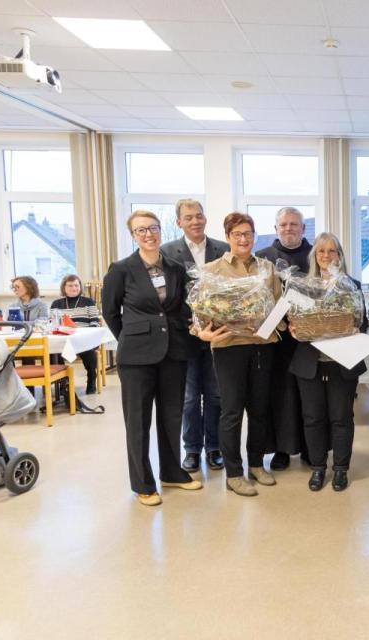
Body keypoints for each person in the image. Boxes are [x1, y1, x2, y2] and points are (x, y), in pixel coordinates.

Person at [102, 210, 202, 506]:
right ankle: (143, 483)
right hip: (136, 356)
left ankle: (171, 472)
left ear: (161, 230)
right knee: (138, 420)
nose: (149, 234)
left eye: (153, 228)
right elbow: (110, 312)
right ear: (133, 235)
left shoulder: (175, 268)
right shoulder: (121, 269)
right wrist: (131, 337)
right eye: (141, 230)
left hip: (174, 351)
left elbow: (182, 308)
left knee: (172, 414)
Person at [196, 212, 283, 497]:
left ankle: (256, 464)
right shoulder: (212, 270)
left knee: (259, 409)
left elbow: (278, 306)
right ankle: (234, 473)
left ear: (254, 236)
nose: (243, 239)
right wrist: (202, 332)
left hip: (262, 346)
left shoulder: (267, 268)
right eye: (237, 234)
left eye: (248, 233)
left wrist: (273, 325)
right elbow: (200, 313)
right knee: (232, 411)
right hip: (229, 347)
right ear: (228, 237)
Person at [288, 233, 367, 492]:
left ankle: (341, 468)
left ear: (339, 256)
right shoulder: (302, 286)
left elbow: (363, 322)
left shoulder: (351, 285)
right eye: (321, 251)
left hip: (341, 362)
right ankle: (318, 467)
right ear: (314, 256)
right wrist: (293, 328)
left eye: (332, 251)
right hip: (309, 362)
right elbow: (293, 321)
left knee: (341, 417)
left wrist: (353, 327)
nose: (326, 256)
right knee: (313, 418)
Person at [161, 198, 228, 473]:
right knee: (189, 399)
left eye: (199, 215)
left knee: (215, 395)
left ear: (205, 218)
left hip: (218, 335)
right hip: (184, 335)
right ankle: (191, 449)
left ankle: (214, 447)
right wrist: (189, 324)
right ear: (179, 222)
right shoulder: (166, 252)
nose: (195, 221)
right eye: (188, 217)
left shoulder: (223, 249)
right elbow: (166, 296)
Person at [256, 206, 312, 471]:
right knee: (279, 394)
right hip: (275, 340)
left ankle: (311, 447)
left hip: (308, 338)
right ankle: (281, 449)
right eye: (284, 224)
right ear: (276, 228)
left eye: (294, 224)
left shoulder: (316, 255)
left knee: (308, 395)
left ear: (303, 228)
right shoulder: (262, 258)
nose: (289, 228)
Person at [50, 274, 102, 394]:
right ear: (64, 287)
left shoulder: (88, 302)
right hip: (63, 338)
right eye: (70, 286)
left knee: (90, 352)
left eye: (76, 285)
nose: (74, 288)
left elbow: (95, 322)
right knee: (52, 353)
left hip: (83, 339)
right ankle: (63, 382)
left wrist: (86, 334)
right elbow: (52, 323)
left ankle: (91, 379)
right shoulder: (56, 304)